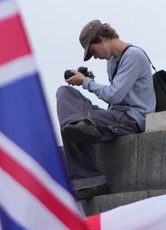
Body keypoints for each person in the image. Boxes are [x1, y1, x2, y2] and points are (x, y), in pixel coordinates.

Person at [56, 20, 157, 199]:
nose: (95, 57)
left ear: (101, 39)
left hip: (131, 118)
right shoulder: (112, 61)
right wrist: (90, 80)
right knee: (64, 93)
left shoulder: (133, 56)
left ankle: (90, 179)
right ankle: (88, 178)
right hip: (114, 115)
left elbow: (114, 96)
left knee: (78, 124)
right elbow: (115, 95)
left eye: (93, 51)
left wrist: (87, 82)